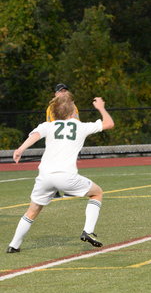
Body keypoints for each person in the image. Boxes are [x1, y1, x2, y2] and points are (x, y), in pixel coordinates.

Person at [7, 95, 114, 253]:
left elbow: (34, 136)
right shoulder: (80, 126)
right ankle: (88, 231)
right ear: (72, 112)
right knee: (97, 193)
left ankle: (14, 245)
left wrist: (20, 149)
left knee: (33, 210)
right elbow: (109, 123)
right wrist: (101, 108)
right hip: (66, 176)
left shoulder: (48, 125)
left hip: (45, 176)